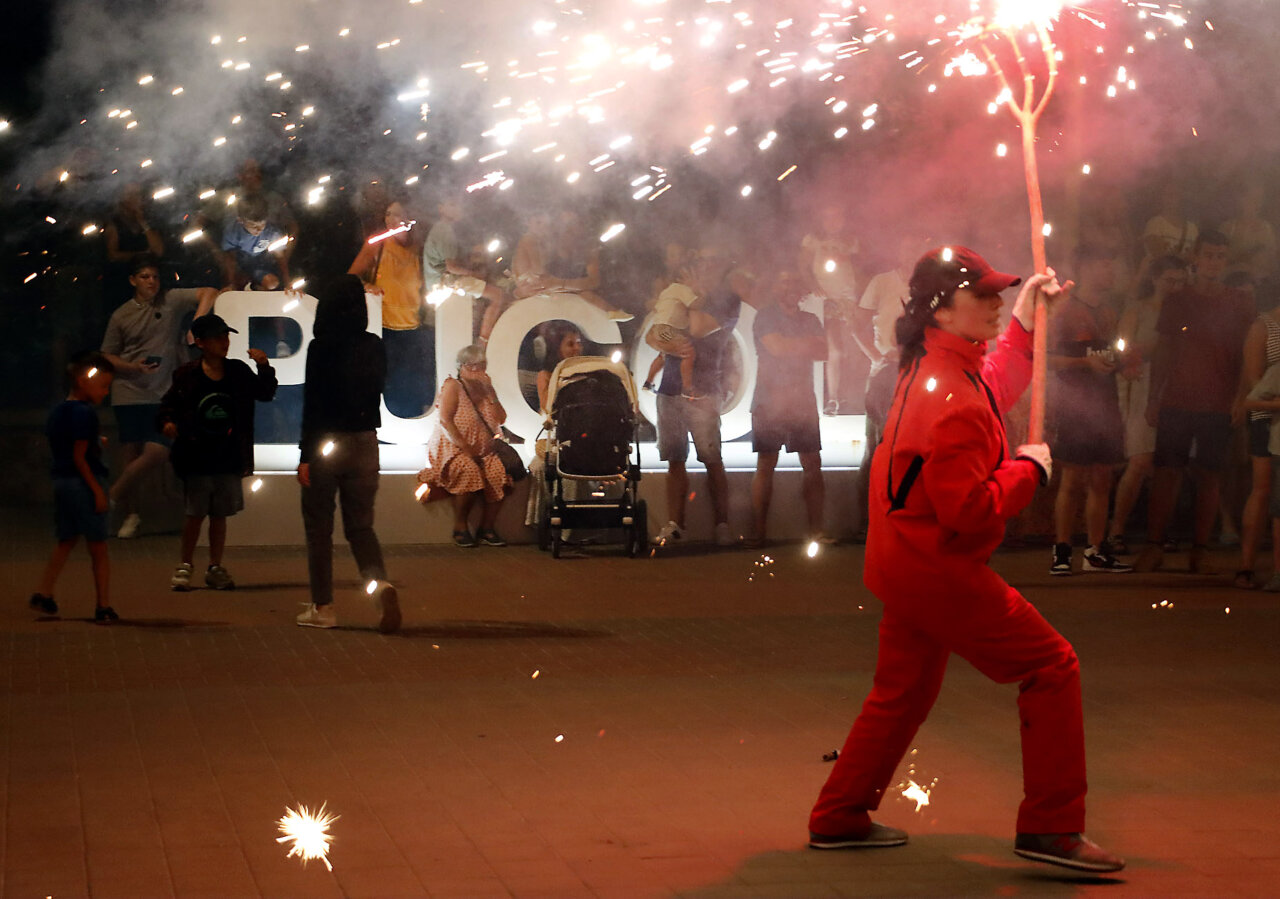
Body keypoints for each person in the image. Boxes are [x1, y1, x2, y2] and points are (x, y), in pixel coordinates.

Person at [807, 246, 1124, 874]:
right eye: (981, 294)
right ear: (942, 310)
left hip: (905, 560)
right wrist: (1027, 471)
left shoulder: (935, 365)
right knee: (1052, 665)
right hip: (935, 566)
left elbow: (991, 381)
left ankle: (839, 815)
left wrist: (1025, 320)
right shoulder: (948, 391)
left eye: (997, 292)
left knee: (901, 693)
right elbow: (971, 511)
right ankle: (1052, 826)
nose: (994, 302)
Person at [1134, 232, 1255, 574]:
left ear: (1226, 261)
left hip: (1219, 401)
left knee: (1210, 475)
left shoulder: (1239, 302)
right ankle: (1154, 545)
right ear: (1196, 259)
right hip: (1178, 397)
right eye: (1209, 255)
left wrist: (1241, 397)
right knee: (1166, 472)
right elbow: (1164, 350)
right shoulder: (1178, 300)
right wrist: (1155, 397)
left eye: (1220, 256)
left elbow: (1246, 354)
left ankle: (1200, 549)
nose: (1214, 262)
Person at [296, 275, 401, 633]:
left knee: (319, 530)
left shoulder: (320, 347)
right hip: (365, 442)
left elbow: (313, 403)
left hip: (326, 444)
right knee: (361, 527)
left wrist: (305, 455)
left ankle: (323, 607)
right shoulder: (374, 345)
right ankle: (380, 587)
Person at [158, 314, 278, 592]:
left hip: (228, 454)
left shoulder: (237, 371)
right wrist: (167, 422)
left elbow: (265, 393)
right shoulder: (187, 374)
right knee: (195, 513)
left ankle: (214, 566)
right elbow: (169, 404)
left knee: (219, 513)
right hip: (197, 454)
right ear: (200, 342)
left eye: (226, 336)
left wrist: (264, 367)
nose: (224, 342)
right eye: (217, 337)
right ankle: (185, 564)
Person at [99, 254, 216, 537]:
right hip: (129, 391)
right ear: (133, 281)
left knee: (158, 450)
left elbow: (209, 292)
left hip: (164, 392)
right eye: (144, 277)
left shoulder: (170, 300)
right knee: (130, 455)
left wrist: (197, 323)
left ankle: (108, 498)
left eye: (154, 276)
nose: (151, 282)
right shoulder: (121, 315)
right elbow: (107, 355)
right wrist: (132, 367)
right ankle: (130, 516)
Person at [1048, 245, 1132, 574]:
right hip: (1075, 403)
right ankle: (1062, 551)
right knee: (1071, 479)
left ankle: (1095, 551)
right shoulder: (1066, 310)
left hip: (1105, 403)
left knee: (1102, 478)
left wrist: (1123, 365)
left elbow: (1112, 355)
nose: (1111, 272)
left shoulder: (1109, 312)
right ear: (1085, 268)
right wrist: (1085, 363)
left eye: (1112, 265)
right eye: (1104, 264)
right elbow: (1048, 358)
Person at [652, 248, 741, 547]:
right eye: (699, 262)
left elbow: (699, 328)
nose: (703, 267)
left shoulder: (728, 300)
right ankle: (676, 525)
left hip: (703, 390)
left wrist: (694, 297)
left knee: (712, 459)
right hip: (669, 388)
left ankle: (722, 525)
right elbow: (654, 334)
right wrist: (664, 340)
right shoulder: (683, 294)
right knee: (675, 459)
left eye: (710, 262)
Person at [29, 353, 119, 624]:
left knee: (66, 539)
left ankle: (44, 591)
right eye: (103, 386)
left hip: (62, 482)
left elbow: (66, 447)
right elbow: (80, 457)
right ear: (83, 382)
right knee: (98, 547)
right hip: (82, 483)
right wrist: (97, 491)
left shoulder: (58, 411)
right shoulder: (85, 413)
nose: (105, 392)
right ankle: (103, 605)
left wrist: (94, 442)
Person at [1108, 256, 1188, 551]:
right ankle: (1116, 530)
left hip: (1176, 387)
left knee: (1169, 465)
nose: (1174, 287)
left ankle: (1160, 530)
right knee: (1140, 460)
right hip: (1141, 385)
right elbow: (1123, 350)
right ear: (1155, 279)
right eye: (1169, 280)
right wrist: (1150, 350)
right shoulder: (1139, 310)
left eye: (1180, 282)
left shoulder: (1186, 314)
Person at [747, 272, 829, 547]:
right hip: (769, 400)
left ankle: (816, 532)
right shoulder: (765, 316)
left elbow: (822, 352)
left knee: (812, 464)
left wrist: (788, 345)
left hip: (801, 401)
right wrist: (804, 344)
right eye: (784, 281)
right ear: (775, 287)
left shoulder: (810, 319)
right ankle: (759, 534)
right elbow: (778, 349)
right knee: (766, 463)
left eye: (794, 282)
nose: (790, 286)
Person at [851, 235, 919, 538]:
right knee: (876, 447)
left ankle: (905, 519)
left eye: (917, 250)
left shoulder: (931, 288)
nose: (912, 254)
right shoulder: (882, 282)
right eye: (907, 248)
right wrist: (877, 356)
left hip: (918, 375)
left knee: (914, 448)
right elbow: (857, 324)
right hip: (884, 375)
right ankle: (867, 522)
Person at [420, 345, 513, 548]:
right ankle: (460, 526)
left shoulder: (486, 389)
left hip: (485, 449)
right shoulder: (454, 386)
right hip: (454, 447)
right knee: (469, 471)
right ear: (461, 367)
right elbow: (445, 420)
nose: (477, 370)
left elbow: (502, 418)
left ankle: (486, 528)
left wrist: (491, 392)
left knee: (498, 474)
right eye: (472, 366)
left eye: (482, 365)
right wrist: (466, 448)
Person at [348, 200, 433, 418]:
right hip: (384, 329)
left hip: (414, 329)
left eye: (397, 214)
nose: (391, 219)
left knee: (412, 386)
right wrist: (367, 286)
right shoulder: (377, 244)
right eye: (388, 214)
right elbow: (351, 277)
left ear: (408, 218)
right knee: (389, 385)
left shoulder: (419, 247)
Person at [1233, 278, 1280, 588]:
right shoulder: (1263, 327)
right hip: (1266, 417)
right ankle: (1246, 566)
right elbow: (1255, 381)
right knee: (1262, 489)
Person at [423, 195, 512, 343]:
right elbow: (451, 267)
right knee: (497, 295)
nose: (458, 208)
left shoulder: (441, 229)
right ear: (441, 208)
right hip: (446, 283)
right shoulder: (445, 231)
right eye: (453, 204)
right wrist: (474, 274)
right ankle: (484, 340)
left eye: (459, 204)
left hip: (441, 282)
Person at [800, 204, 862, 415]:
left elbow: (860, 268)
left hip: (848, 298)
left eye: (837, 217)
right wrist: (812, 285)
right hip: (826, 299)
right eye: (828, 217)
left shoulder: (850, 241)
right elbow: (803, 265)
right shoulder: (813, 240)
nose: (832, 222)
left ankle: (850, 396)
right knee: (835, 349)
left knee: (853, 348)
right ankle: (833, 398)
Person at [526, 323, 586, 530]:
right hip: (558, 434)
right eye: (570, 344)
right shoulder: (546, 374)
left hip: (583, 435)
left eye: (578, 343)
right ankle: (546, 521)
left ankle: (573, 528)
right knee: (539, 466)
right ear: (557, 347)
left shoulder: (589, 373)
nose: (576, 348)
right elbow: (547, 407)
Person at [103, 182, 164, 306]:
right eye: (131, 195)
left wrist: (142, 222)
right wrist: (140, 254)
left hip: (149, 281)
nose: (136, 199)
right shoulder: (114, 224)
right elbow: (112, 255)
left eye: (138, 195)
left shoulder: (148, 222)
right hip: (122, 280)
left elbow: (158, 251)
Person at [220, 194, 290, 291]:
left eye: (262, 224)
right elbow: (230, 259)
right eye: (253, 226)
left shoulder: (273, 232)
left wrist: (288, 284)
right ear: (240, 220)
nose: (259, 229)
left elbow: (281, 258)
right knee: (235, 286)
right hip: (240, 268)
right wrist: (231, 283)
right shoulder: (232, 232)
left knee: (272, 284)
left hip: (260, 268)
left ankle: (256, 287)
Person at [644, 279, 700, 398]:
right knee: (688, 352)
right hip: (667, 328)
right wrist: (703, 295)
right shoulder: (682, 289)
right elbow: (696, 304)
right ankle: (687, 388)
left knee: (663, 355)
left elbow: (656, 308)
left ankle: (648, 382)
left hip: (659, 327)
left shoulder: (666, 292)